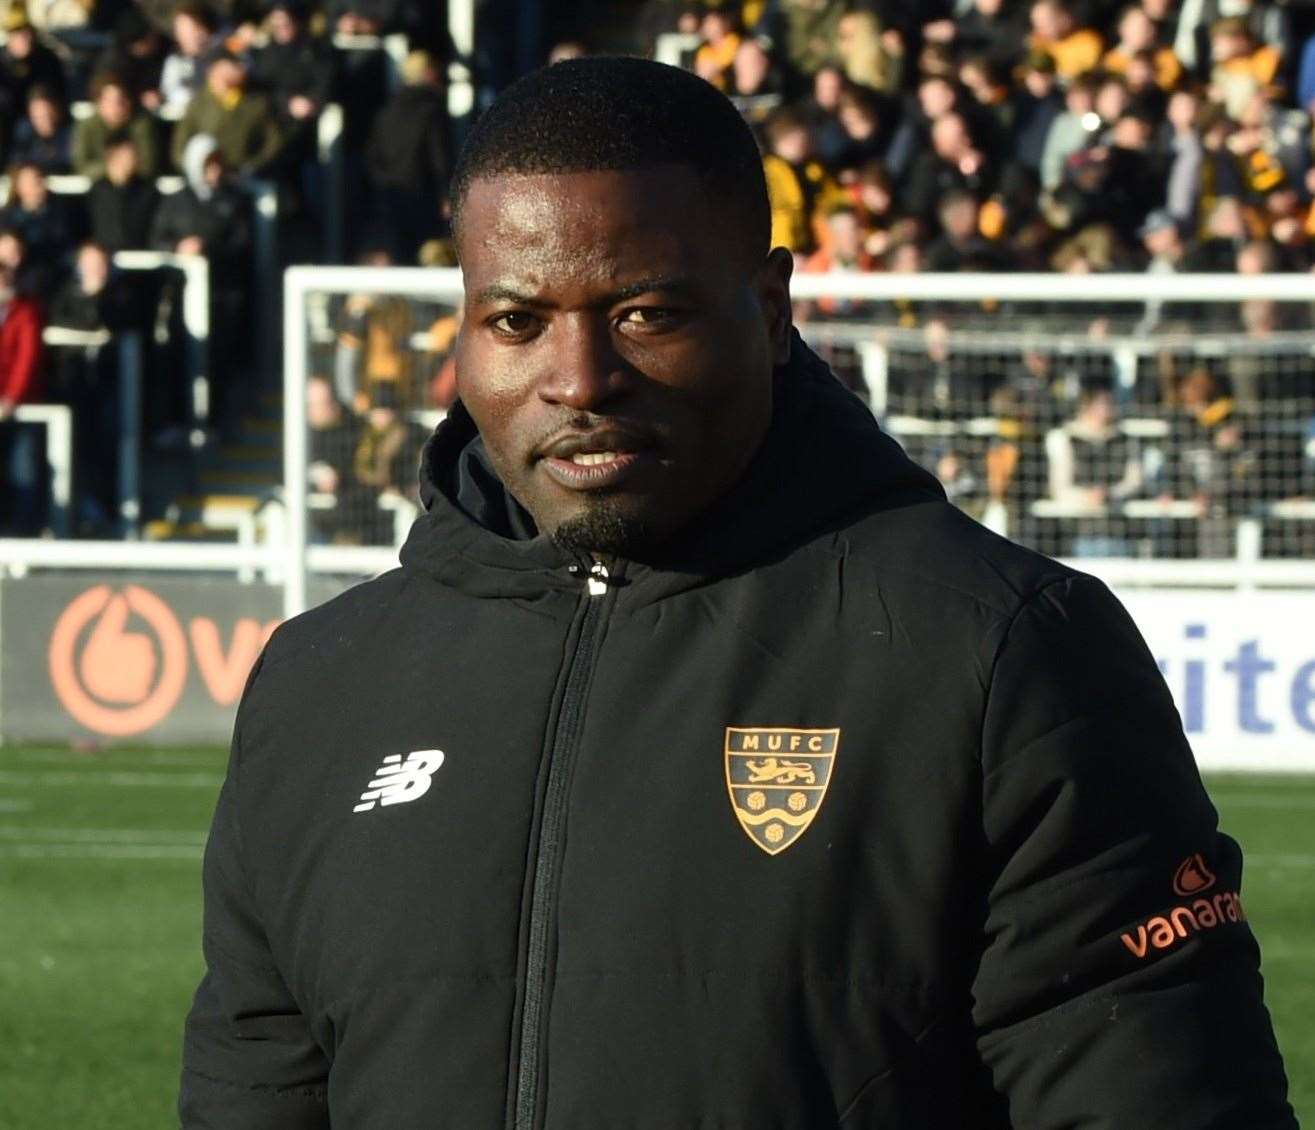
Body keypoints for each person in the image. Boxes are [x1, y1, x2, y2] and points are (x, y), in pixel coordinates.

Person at [179, 57, 1296, 1128]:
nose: (578, 380)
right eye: (517, 320)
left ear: (768, 308)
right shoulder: (321, 684)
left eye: (644, 313)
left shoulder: (1001, 651)